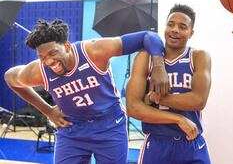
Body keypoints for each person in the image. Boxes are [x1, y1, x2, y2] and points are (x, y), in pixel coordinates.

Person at [4, 19, 169, 164]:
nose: (48, 61)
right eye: (42, 57)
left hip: (109, 125)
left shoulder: (93, 52)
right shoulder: (39, 71)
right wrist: (48, 111)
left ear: (67, 46)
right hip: (72, 129)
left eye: (53, 53)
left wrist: (158, 66)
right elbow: (10, 78)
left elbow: (148, 37)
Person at [126, 4, 212, 164]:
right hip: (157, 143)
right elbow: (133, 108)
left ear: (191, 33)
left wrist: (155, 98)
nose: (175, 30)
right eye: (170, 24)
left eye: (182, 27)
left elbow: (198, 100)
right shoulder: (145, 58)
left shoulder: (198, 57)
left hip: (190, 142)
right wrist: (178, 118)